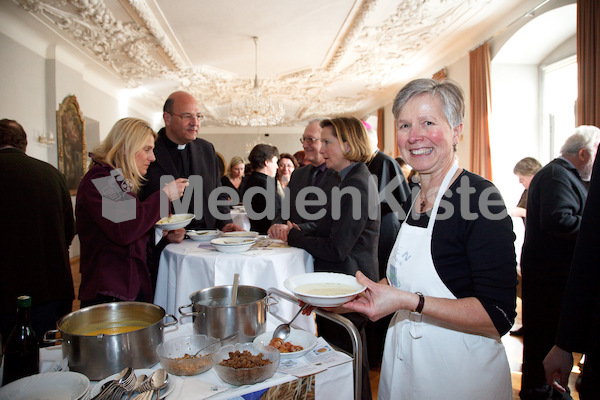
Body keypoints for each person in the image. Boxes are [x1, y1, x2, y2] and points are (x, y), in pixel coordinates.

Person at [344, 79, 517, 399]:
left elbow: (499, 316)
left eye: (428, 122)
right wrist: (370, 290)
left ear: (456, 130)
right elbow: (413, 276)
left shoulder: (480, 199)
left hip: (457, 377)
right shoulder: (418, 197)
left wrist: (410, 302)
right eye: (405, 124)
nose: (414, 136)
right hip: (407, 372)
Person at [279, 116, 380, 400]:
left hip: (348, 284)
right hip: (339, 283)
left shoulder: (357, 183)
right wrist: (298, 229)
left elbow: (337, 247)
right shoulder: (345, 178)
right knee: (340, 358)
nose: (321, 149)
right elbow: (327, 226)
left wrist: (294, 237)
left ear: (348, 144)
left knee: (347, 360)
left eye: (327, 142)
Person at [520, 125, 600, 400]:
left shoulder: (560, 174)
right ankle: (542, 391)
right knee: (545, 341)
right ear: (584, 153)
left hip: (552, 275)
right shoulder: (557, 176)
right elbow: (558, 220)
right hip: (550, 279)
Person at [76, 118, 189, 308]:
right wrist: (164, 195)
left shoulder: (115, 180)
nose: (152, 158)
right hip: (109, 293)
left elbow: (131, 228)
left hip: (125, 288)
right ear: (125, 147)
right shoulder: (100, 179)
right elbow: (126, 228)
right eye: (146, 149)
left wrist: (163, 235)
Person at [0, 119, 75, 347]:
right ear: (24, 143)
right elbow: (69, 230)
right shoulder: (50, 173)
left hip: (4, 286)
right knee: (42, 350)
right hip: (47, 284)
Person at [139, 91, 242, 232]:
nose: (195, 123)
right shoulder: (148, 150)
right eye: (187, 116)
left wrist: (226, 223)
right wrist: (164, 233)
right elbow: (140, 202)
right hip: (164, 243)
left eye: (198, 116)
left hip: (207, 237)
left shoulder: (207, 149)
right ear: (167, 118)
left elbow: (218, 191)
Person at [543, 145, 600, 400]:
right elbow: (590, 243)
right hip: (555, 276)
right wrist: (566, 343)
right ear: (584, 153)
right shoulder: (557, 176)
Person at [363, 120, 411, 367]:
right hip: (373, 231)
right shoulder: (363, 163)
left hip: (385, 232)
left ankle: (379, 355)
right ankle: (370, 351)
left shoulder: (386, 162)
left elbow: (397, 202)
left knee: (382, 284)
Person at [268, 119, 340, 236]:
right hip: (293, 247)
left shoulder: (339, 175)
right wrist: (277, 225)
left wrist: (295, 229)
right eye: (304, 139)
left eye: (310, 140)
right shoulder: (297, 174)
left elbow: (333, 222)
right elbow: (284, 210)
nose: (304, 145)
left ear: (325, 142)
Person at [509, 156, 542, 337]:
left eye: (522, 177)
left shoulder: (544, 187)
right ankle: (527, 325)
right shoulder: (528, 190)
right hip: (528, 244)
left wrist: (521, 212)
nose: (520, 181)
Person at [241, 144, 281, 235]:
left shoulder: (249, 180)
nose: (277, 167)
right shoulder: (265, 183)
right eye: (275, 162)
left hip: (256, 232)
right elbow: (276, 214)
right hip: (269, 235)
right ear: (267, 163)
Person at [509, 157, 542, 221]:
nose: (520, 182)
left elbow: (547, 216)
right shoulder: (527, 191)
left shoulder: (547, 191)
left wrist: (524, 212)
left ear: (533, 176)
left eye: (522, 179)